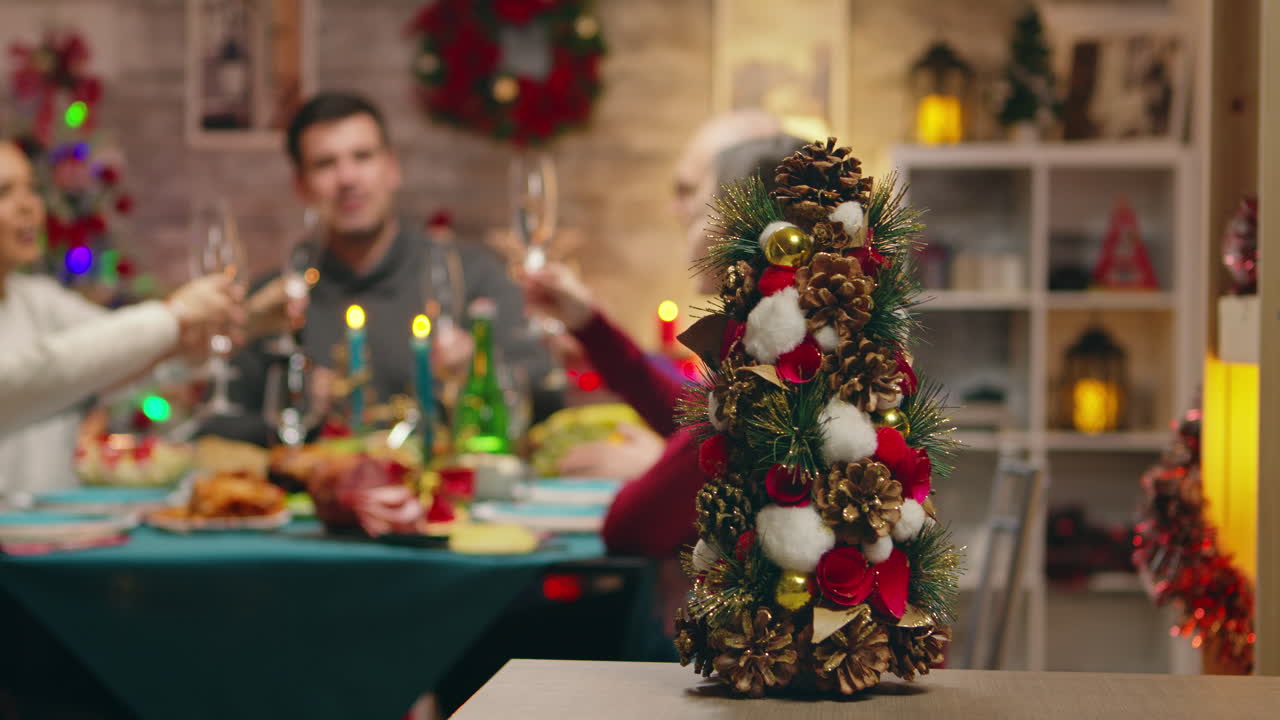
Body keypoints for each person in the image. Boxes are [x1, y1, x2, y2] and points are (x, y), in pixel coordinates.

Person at [525, 112, 805, 558]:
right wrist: (590, 326)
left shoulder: (759, 372)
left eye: (698, 194)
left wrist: (654, 470)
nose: (685, 212)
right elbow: (691, 420)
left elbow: (628, 527)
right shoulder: (795, 341)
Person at [205, 91, 554, 444]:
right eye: (325, 164)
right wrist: (291, 415)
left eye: (363, 157)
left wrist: (481, 372)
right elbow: (214, 427)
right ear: (301, 186)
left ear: (392, 169)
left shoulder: (468, 276)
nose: (347, 178)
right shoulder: (275, 305)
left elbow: (547, 394)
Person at [0, 139, 243, 496]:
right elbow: (36, 373)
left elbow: (121, 353)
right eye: (5, 192)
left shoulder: (35, 298)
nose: (29, 207)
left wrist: (244, 321)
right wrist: (174, 316)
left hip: (55, 533)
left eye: (32, 189)